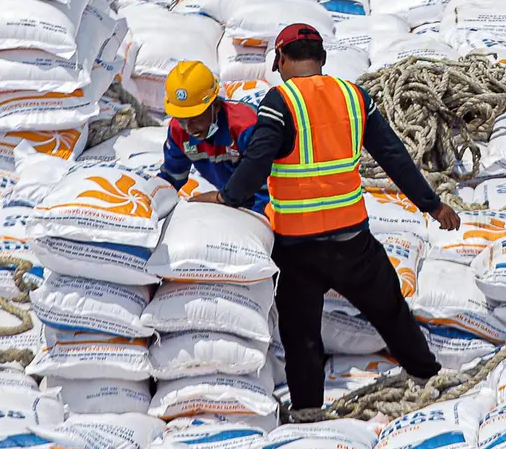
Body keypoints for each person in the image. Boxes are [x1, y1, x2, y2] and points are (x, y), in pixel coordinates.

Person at [190, 23, 461, 412]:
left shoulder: (279, 101)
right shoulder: (354, 97)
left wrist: (226, 196)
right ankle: (428, 377)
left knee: (302, 335)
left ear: (280, 59)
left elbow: (256, 162)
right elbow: (394, 156)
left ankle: (307, 414)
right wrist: (432, 205)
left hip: (297, 249)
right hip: (353, 242)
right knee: (390, 312)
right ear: (323, 59)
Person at [160, 60, 269, 214]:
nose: (189, 128)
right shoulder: (178, 130)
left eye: (195, 118)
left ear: (216, 106)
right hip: (230, 200)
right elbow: (171, 178)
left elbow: (266, 189)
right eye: (182, 119)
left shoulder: (246, 128)